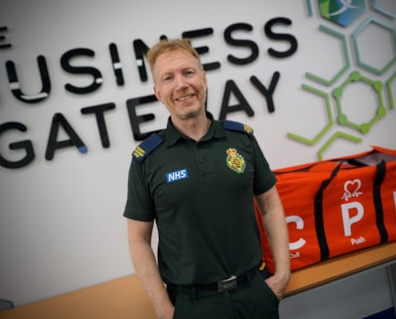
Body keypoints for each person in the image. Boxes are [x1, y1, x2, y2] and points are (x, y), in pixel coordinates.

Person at [124, 38, 290, 319]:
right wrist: (163, 308)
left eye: (188, 73)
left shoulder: (242, 139)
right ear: (158, 93)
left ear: (203, 78)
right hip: (192, 305)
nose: (181, 85)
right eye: (168, 78)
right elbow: (138, 239)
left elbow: (270, 205)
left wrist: (283, 274)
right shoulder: (147, 159)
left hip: (255, 293)